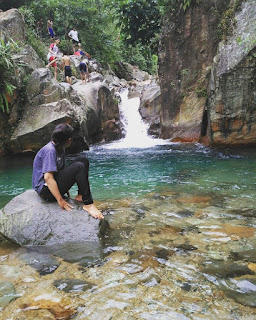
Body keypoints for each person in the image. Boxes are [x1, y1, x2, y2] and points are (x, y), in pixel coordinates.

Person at [32, 123, 104, 219]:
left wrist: (65, 189)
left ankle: (81, 195)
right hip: (46, 191)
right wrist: (60, 199)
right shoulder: (50, 150)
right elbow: (48, 177)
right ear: (69, 140)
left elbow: (60, 170)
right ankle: (89, 204)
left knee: (83, 160)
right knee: (79, 167)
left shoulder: (60, 147)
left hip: (52, 185)